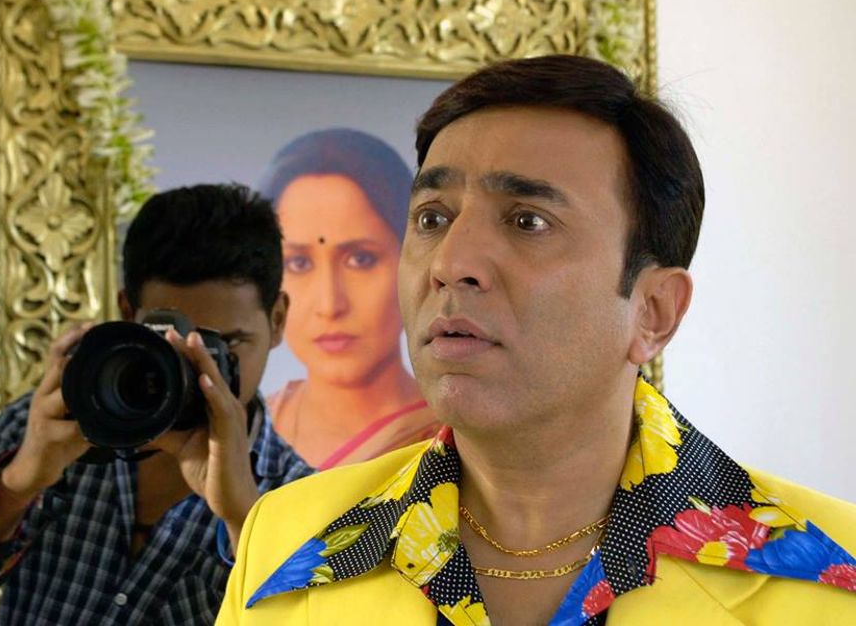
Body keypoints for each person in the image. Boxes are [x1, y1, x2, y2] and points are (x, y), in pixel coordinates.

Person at [216, 57, 856, 625]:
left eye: (528, 221)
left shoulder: (829, 577)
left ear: (654, 311)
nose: (451, 263)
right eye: (433, 218)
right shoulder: (288, 542)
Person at [0, 184, 313, 625]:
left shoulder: (301, 496)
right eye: (171, 342)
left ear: (277, 319)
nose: (197, 369)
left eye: (223, 345)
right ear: (128, 312)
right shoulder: (58, 425)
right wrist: (16, 486)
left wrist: (243, 516)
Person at [257, 128, 439, 469]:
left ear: (413, 263)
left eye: (361, 259)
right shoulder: (248, 434)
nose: (330, 305)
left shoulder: (456, 443)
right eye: (298, 263)